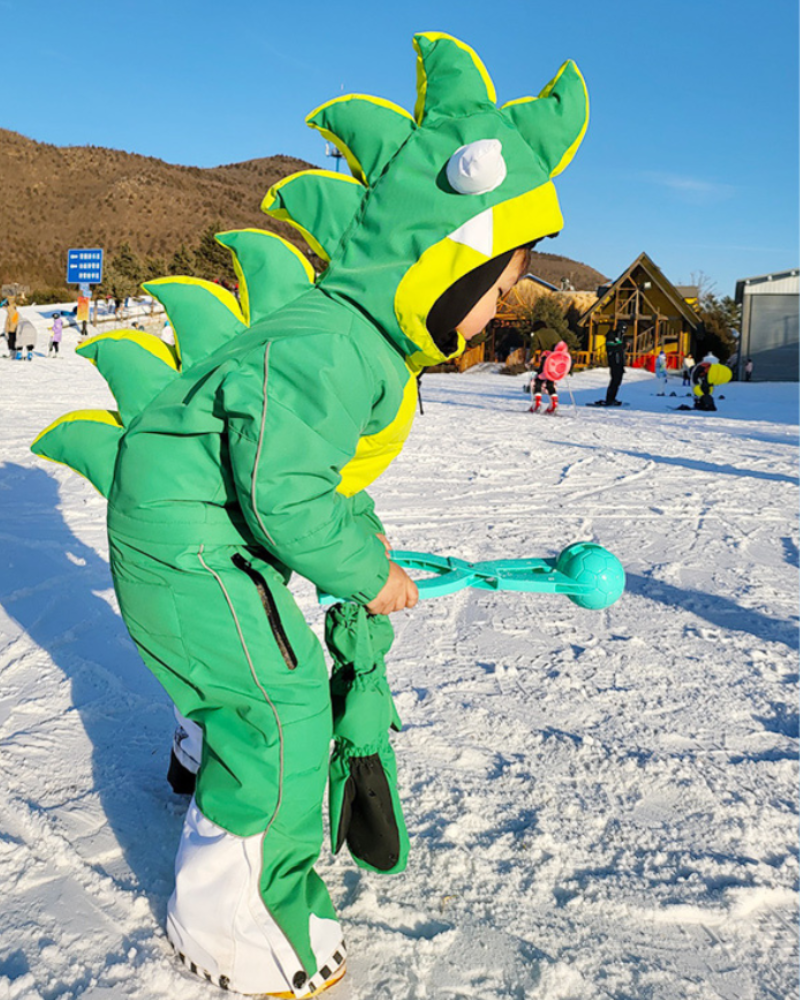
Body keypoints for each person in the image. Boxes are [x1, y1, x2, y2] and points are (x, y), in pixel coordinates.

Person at [31, 34, 589, 999]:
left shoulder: (356, 338)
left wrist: (365, 548)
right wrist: (366, 575)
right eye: (497, 289)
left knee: (255, 653)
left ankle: (203, 742)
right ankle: (232, 918)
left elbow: (316, 480)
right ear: (445, 267)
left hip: (197, 526)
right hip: (184, 538)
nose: (496, 313)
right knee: (282, 703)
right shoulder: (336, 347)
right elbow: (282, 493)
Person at [600, 321, 627, 406]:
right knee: (614, 381)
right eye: (622, 329)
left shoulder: (622, 337)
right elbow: (612, 347)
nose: (623, 332)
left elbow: (621, 348)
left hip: (620, 362)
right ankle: (609, 398)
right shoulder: (611, 335)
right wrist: (620, 344)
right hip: (614, 361)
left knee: (618, 381)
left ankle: (613, 398)